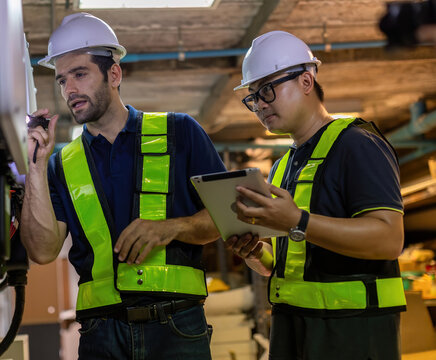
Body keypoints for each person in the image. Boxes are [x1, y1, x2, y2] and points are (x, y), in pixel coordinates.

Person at [20, 12, 226, 360]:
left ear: (114, 74)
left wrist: (170, 228)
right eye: (61, 80)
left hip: (176, 327)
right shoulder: (59, 164)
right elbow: (42, 251)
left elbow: (227, 218)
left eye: (80, 74)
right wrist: (35, 168)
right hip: (100, 336)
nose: (69, 90)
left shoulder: (182, 131)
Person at [225, 31, 407, 360]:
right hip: (292, 327)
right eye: (253, 98)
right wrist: (255, 253)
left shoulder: (357, 144)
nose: (260, 105)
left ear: (307, 81)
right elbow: (285, 264)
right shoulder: (281, 167)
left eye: (267, 90)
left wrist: (298, 220)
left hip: (352, 331)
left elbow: (389, 238)